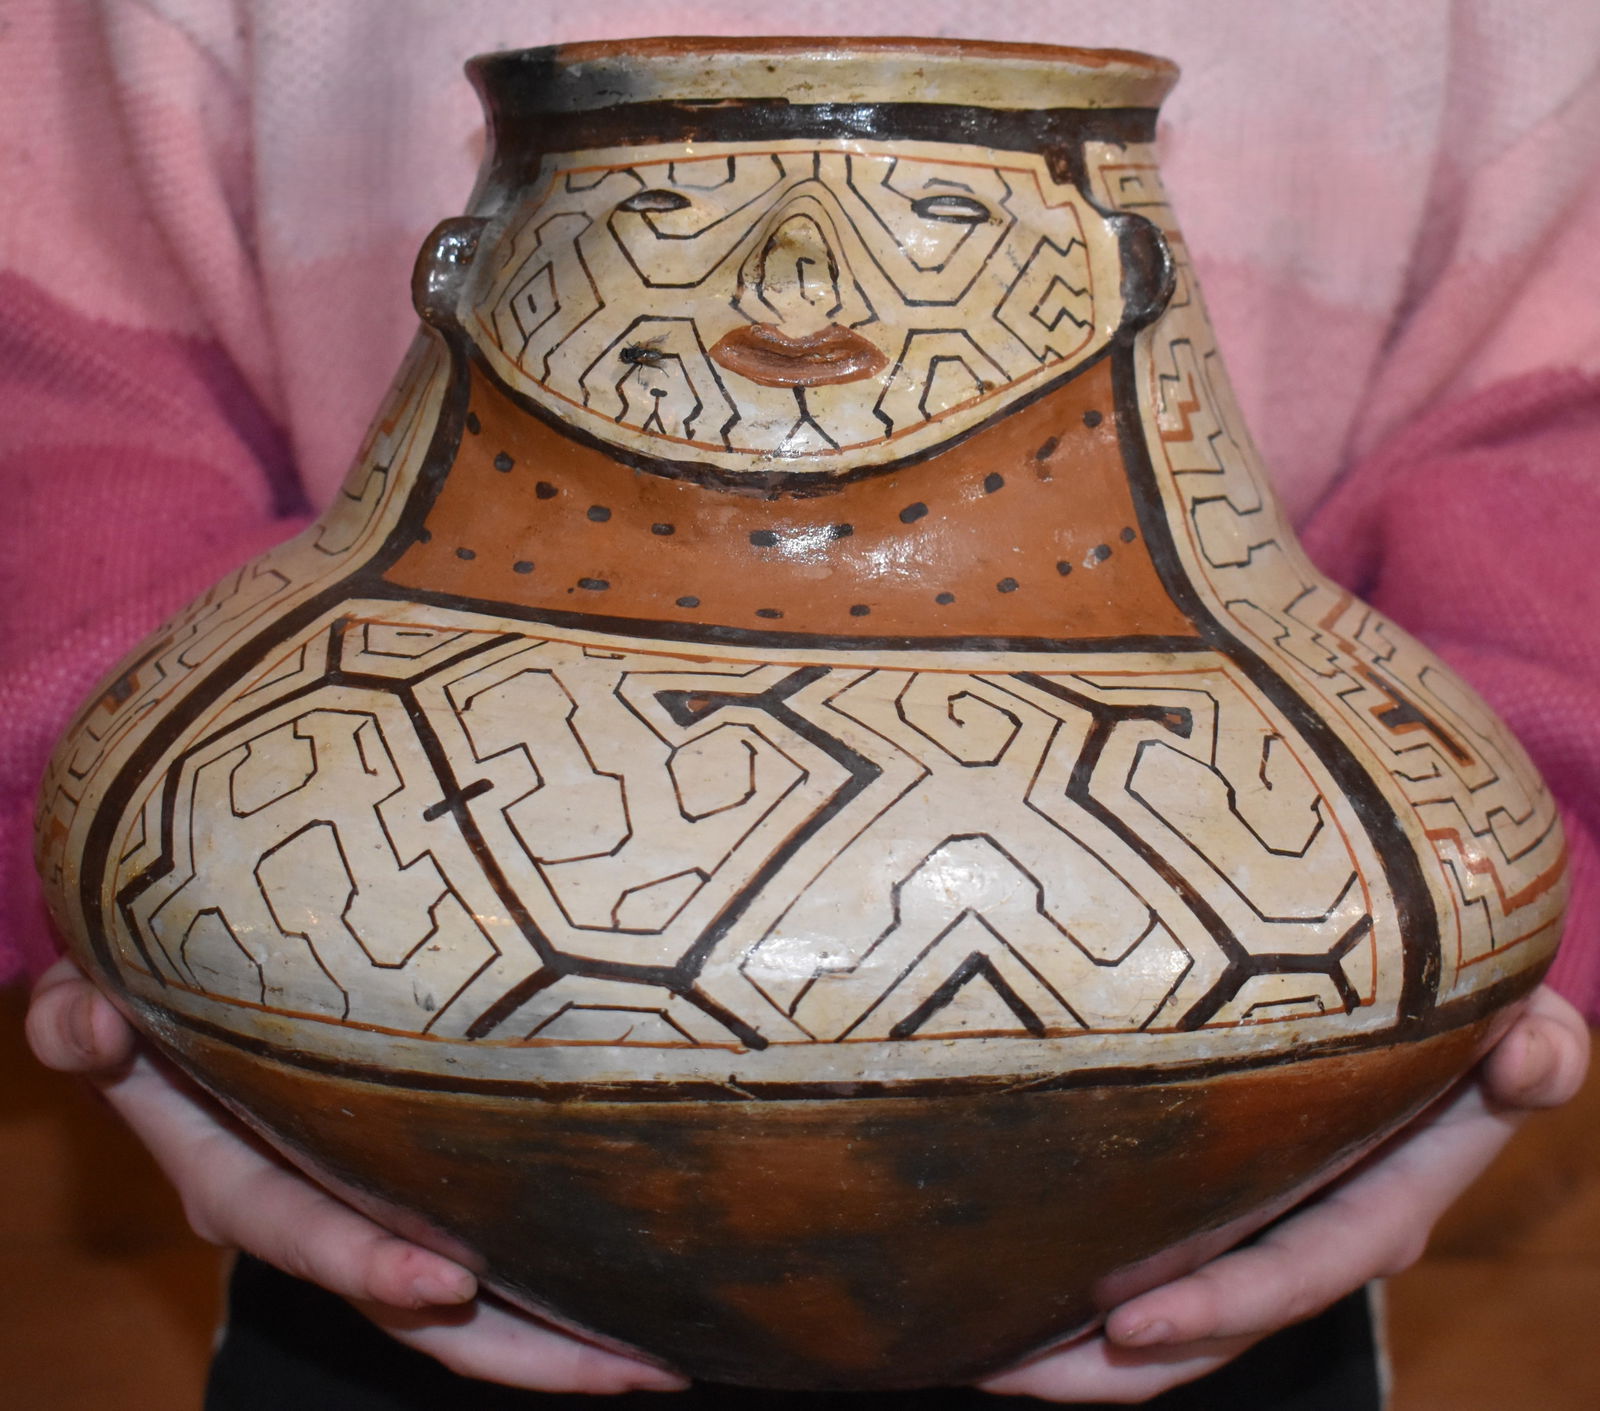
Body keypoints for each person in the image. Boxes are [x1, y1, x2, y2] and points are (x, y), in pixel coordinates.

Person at [5, 1, 1598, 1405]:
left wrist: (1517, 923)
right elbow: (62, 410)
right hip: (353, 1216)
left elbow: (1553, 452)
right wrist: (122, 891)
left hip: (1241, 1238)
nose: (796, 277)